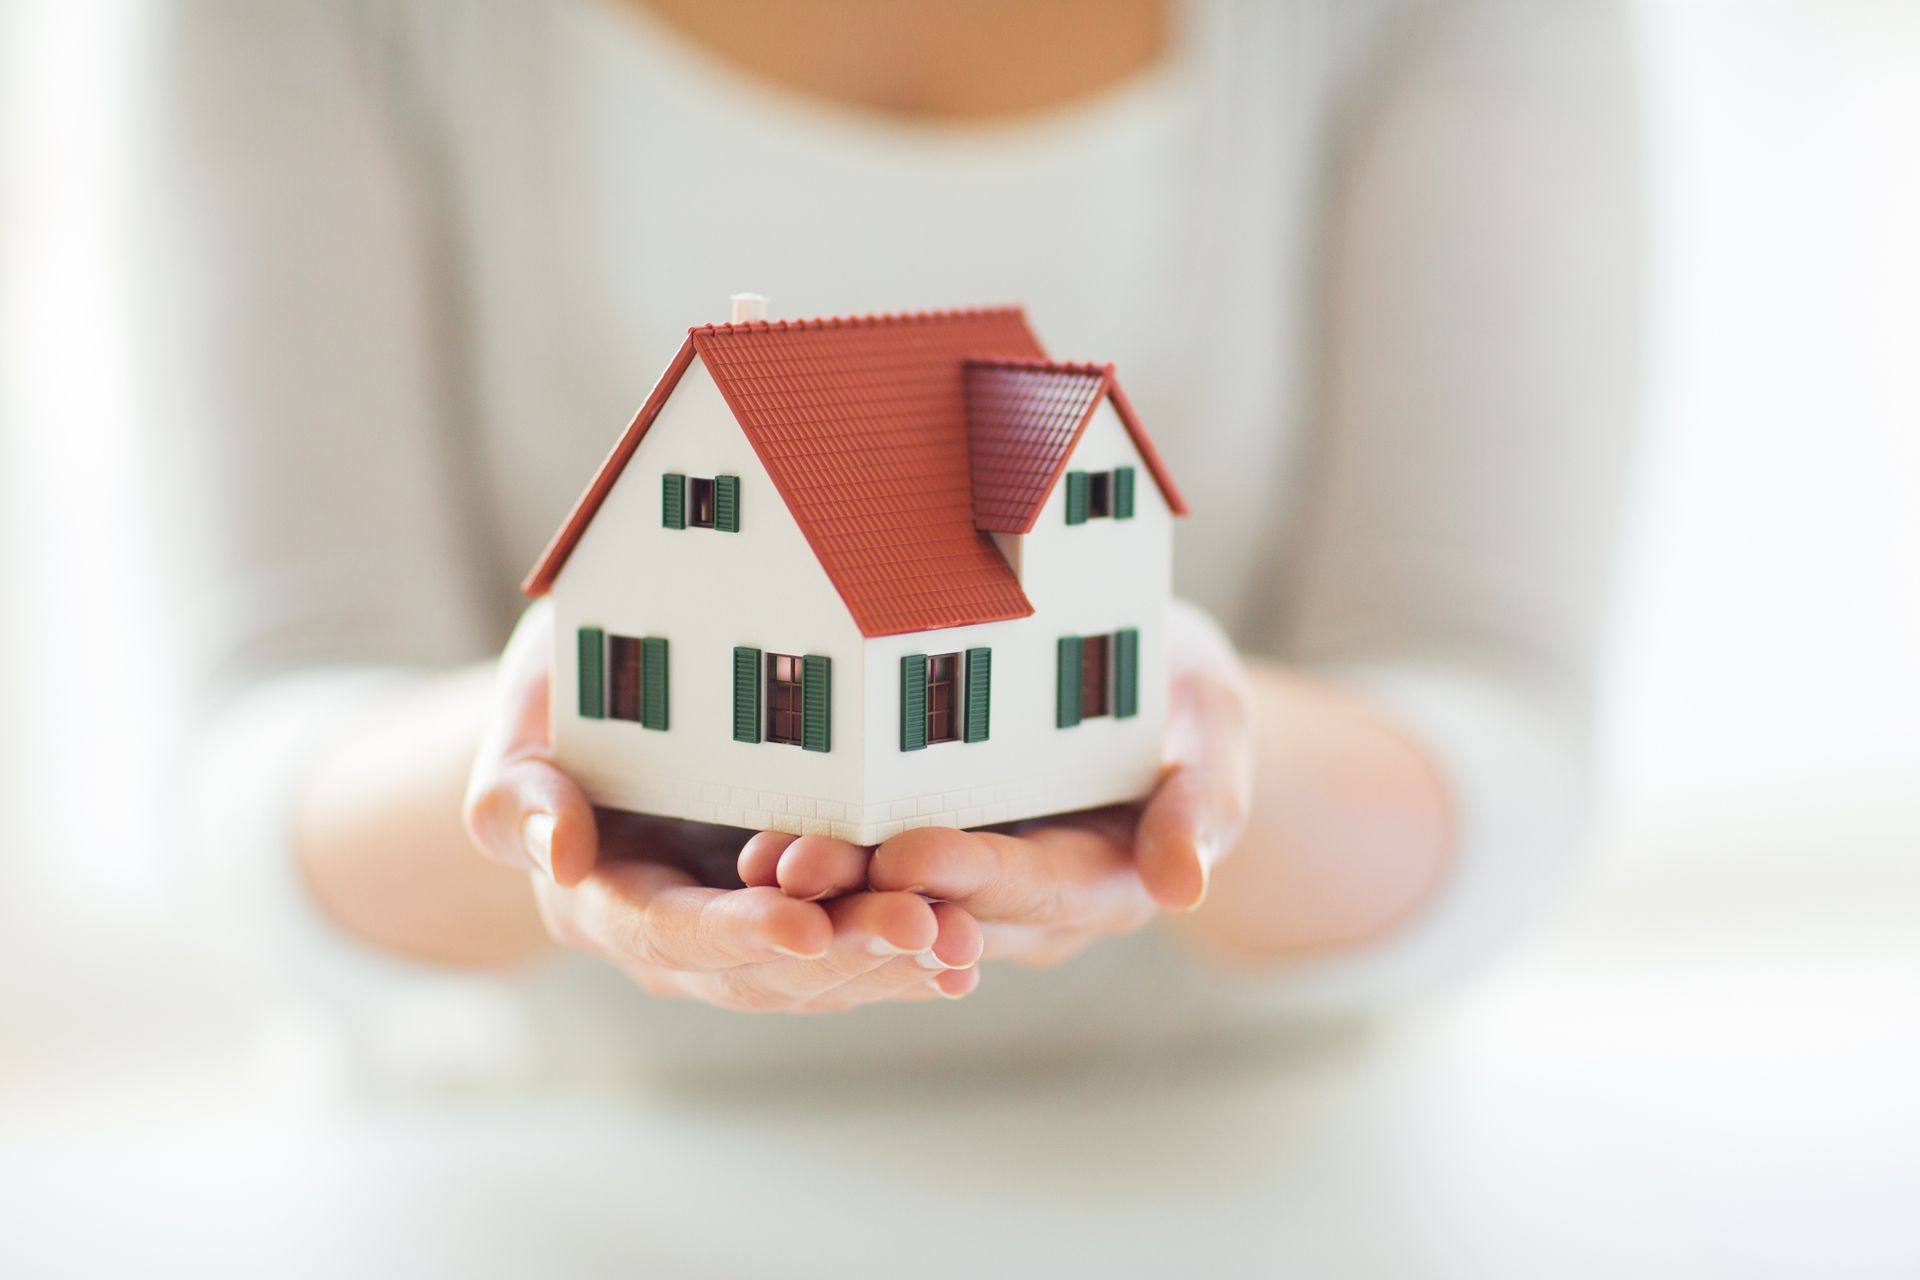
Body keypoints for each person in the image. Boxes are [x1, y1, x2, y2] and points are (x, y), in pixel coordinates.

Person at [145, 0, 1640, 1069]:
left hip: (1246, 1167)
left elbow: (1495, 720)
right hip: (544, 1172)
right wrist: (555, 754)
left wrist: (1182, 743)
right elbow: (269, 737)